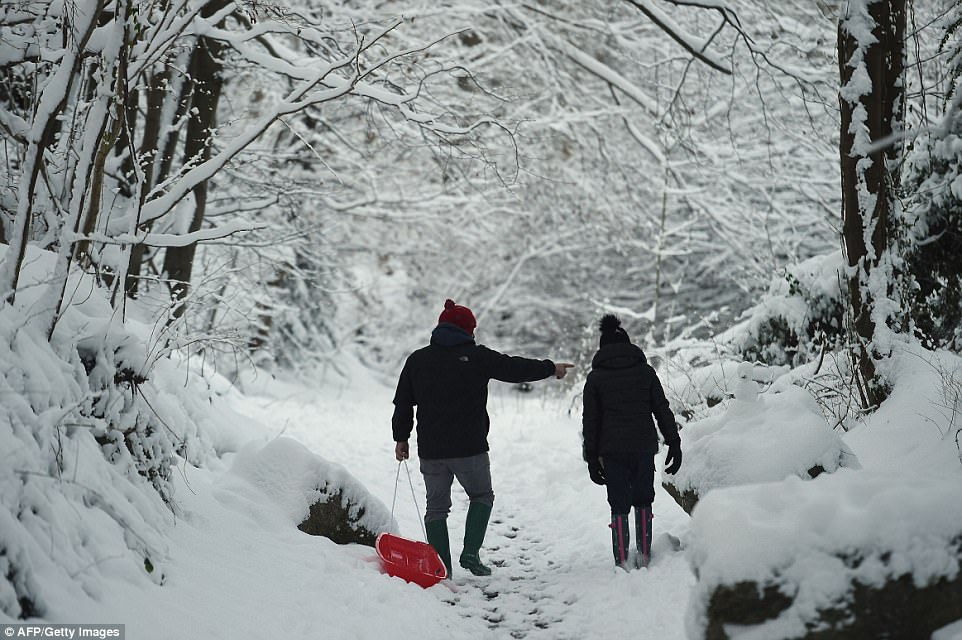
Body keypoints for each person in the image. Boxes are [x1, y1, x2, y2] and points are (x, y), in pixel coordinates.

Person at [392, 299, 573, 577]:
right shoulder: (477, 356)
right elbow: (515, 368)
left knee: (436, 508)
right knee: (482, 495)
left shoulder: (418, 360)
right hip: (470, 447)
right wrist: (551, 368)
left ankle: (442, 571)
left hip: (432, 450)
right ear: (466, 330)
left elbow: (403, 402)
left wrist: (401, 438)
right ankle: (470, 553)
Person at [581, 314, 681, 569]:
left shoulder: (595, 379)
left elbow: (590, 421)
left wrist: (591, 457)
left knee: (618, 502)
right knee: (644, 498)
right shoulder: (645, 372)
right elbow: (661, 408)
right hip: (643, 446)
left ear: (602, 349)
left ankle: (622, 560)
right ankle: (645, 556)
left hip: (611, 450)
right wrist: (674, 441)